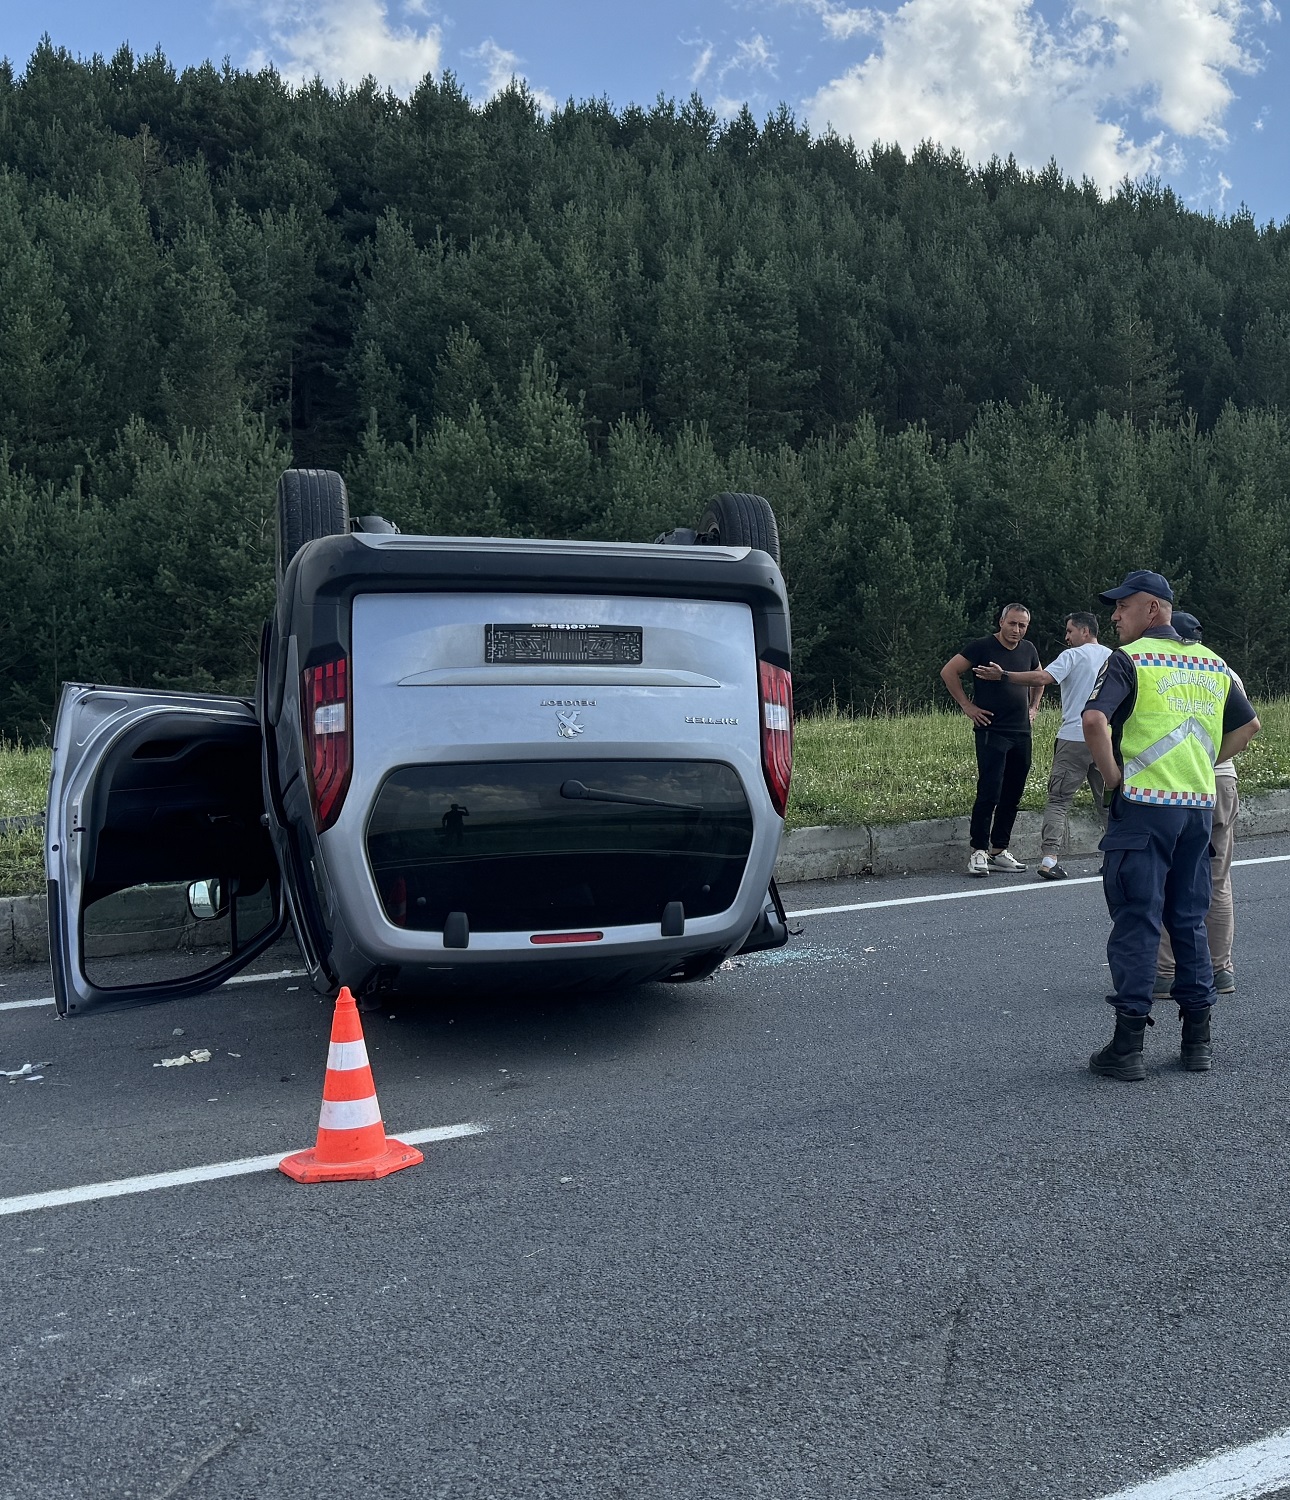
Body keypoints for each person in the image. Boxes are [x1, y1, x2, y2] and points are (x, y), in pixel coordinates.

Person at [1081, 572, 1259, 1081]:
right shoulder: (1213, 663)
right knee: (1188, 920)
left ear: (1154, 609)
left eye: (1123, 606)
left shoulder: (1130, 660)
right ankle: (1197, 1043)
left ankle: (1128, 1046)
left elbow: (1094, 721)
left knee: (1139, 920)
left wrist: (1115, 777)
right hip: (1197, 809)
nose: (1115, 615)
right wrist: (1203, 766)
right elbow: (1248, 726)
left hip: (1143, 809)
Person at [973, 611, 1112, 880]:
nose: (1066, 637)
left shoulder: (1072, 656)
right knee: (1108, 801)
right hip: (1106, 738)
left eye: (1070, 631)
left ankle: (1049, 859)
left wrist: (1004, 676)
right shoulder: (1115, 657)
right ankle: (1115, 856)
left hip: (1075, 736)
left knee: (1059, 800)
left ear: (1085, 632)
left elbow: (1041, 678)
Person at [1155, 611, 1241, 998]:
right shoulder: (1223, 669)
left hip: (1175, 782)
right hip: (1222, 778)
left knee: (1164, 876)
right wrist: (1215, 760)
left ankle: (1164, 971)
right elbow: (1249, 725)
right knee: (1217, 879)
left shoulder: (1166, 666)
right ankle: (1221, 970)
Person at [940, 604, 1042, 878]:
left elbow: (1039, 677)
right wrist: (967, 706)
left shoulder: (1028, 649)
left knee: (1013, 793)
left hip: (1021, 732)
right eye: (1012, 624)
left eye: (1022, 625)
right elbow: (948, 672)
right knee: (990, 791)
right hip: (991, 730)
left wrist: (1034, 707)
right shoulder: (981, 646)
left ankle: (999, 850)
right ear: (1001, 622)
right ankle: (978, 851)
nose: (1016, 630)